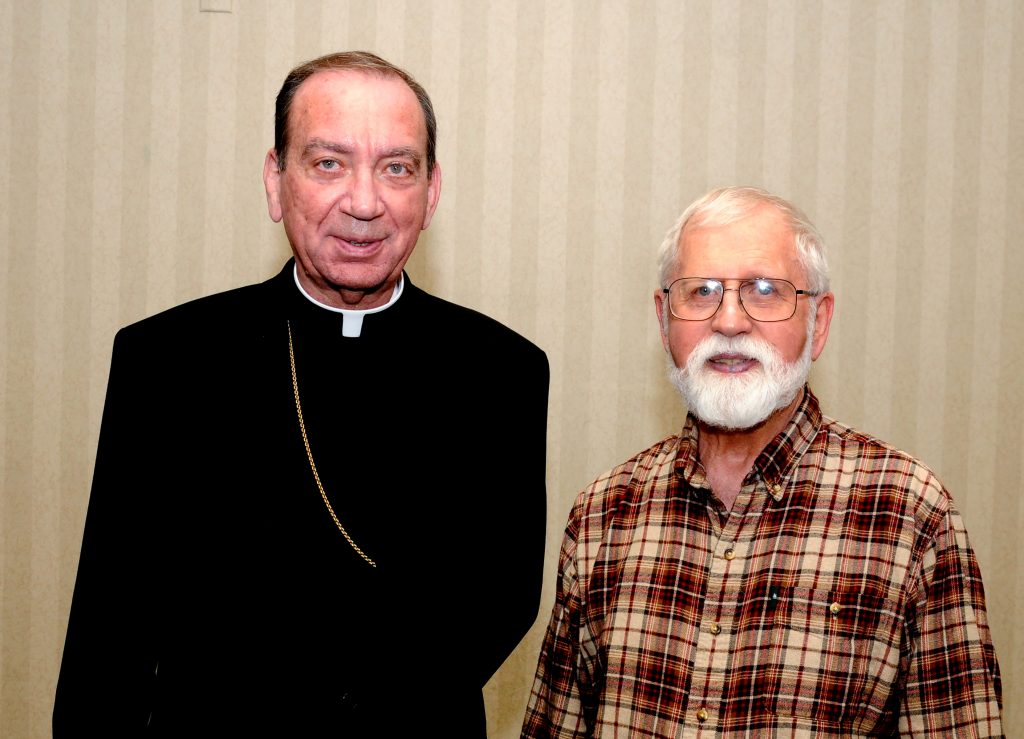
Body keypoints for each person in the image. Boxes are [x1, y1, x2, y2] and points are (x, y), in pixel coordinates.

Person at [54, 51, 549, 737]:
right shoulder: (166, 360)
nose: (365, 202)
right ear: (275, 179)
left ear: (431, 193)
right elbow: (109, 634)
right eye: (328, 163)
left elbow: (502, 599)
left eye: (397, 167)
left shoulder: (502, 372)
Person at [522, 186, 1002, 737]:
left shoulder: (910, 515)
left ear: (819, 322)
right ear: (663, 320)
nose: (729, 321)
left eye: (766, 291)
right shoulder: (604, 514)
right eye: (700, 292)